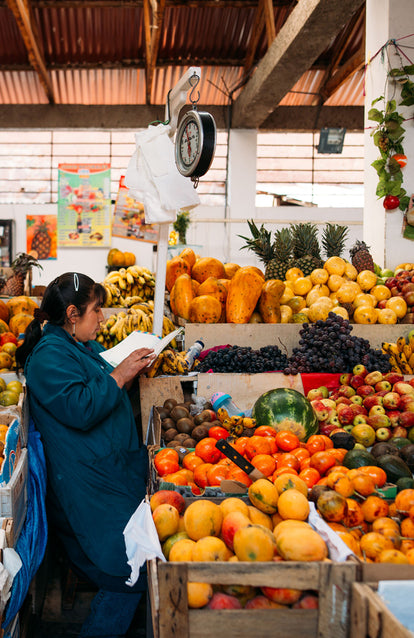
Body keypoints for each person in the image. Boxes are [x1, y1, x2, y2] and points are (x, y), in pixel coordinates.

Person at [16, 272, 156, 638]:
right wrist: (120, 375)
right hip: (88, 488)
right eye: (98, 311)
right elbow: (80, 407)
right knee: (125, 573)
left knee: (135, 565)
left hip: (110, 474)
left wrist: (131, 367)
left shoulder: (76, 345)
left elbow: (100, 375)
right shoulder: (48, 357)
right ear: (73, 314)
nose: (104, 318)